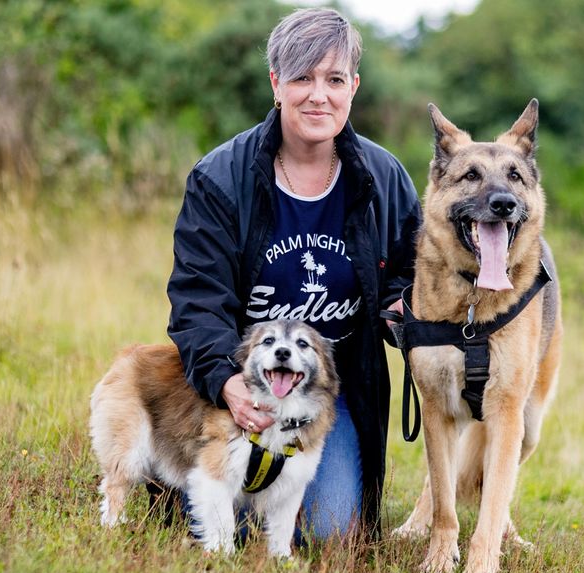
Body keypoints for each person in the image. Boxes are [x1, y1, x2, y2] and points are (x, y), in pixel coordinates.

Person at [166, 7, 422, 542]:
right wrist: (226, 383)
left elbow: (408, 276)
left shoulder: (386, 179)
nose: (318, 95)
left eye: (333, 79)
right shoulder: (219, 180)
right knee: (223, 516)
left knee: (328, 534)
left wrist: (406, 312)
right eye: (302, 77)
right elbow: (198, 301)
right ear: (276, 83)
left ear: (353, 86)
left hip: (328, 392)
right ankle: (171, 471)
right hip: (247, 385)